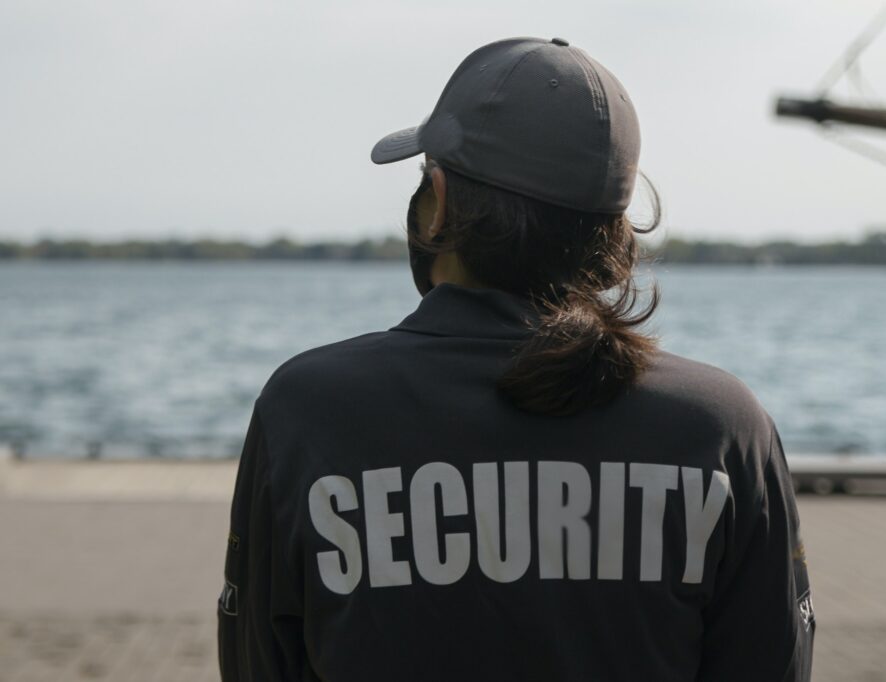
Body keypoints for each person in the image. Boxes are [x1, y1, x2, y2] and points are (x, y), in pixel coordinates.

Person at [218, 36, 814, 681]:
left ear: (438, 202)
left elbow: (258, 665)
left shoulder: (309, 409)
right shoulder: (721, 426)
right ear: (616, 231)